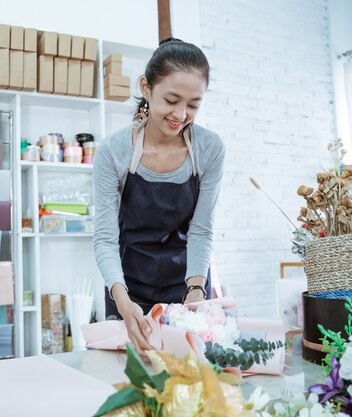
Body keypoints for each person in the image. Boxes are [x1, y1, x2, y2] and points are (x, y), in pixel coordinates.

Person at [93, 38, 225, 353]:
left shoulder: (209, 149)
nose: (181, 114)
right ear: (146, 88)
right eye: (171, 99)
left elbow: (201, 230)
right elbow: (105, 239)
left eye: (193, 104)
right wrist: (123, 301)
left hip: (186, 284)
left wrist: (196, 289)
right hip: (127, 286)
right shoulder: (114, 151)